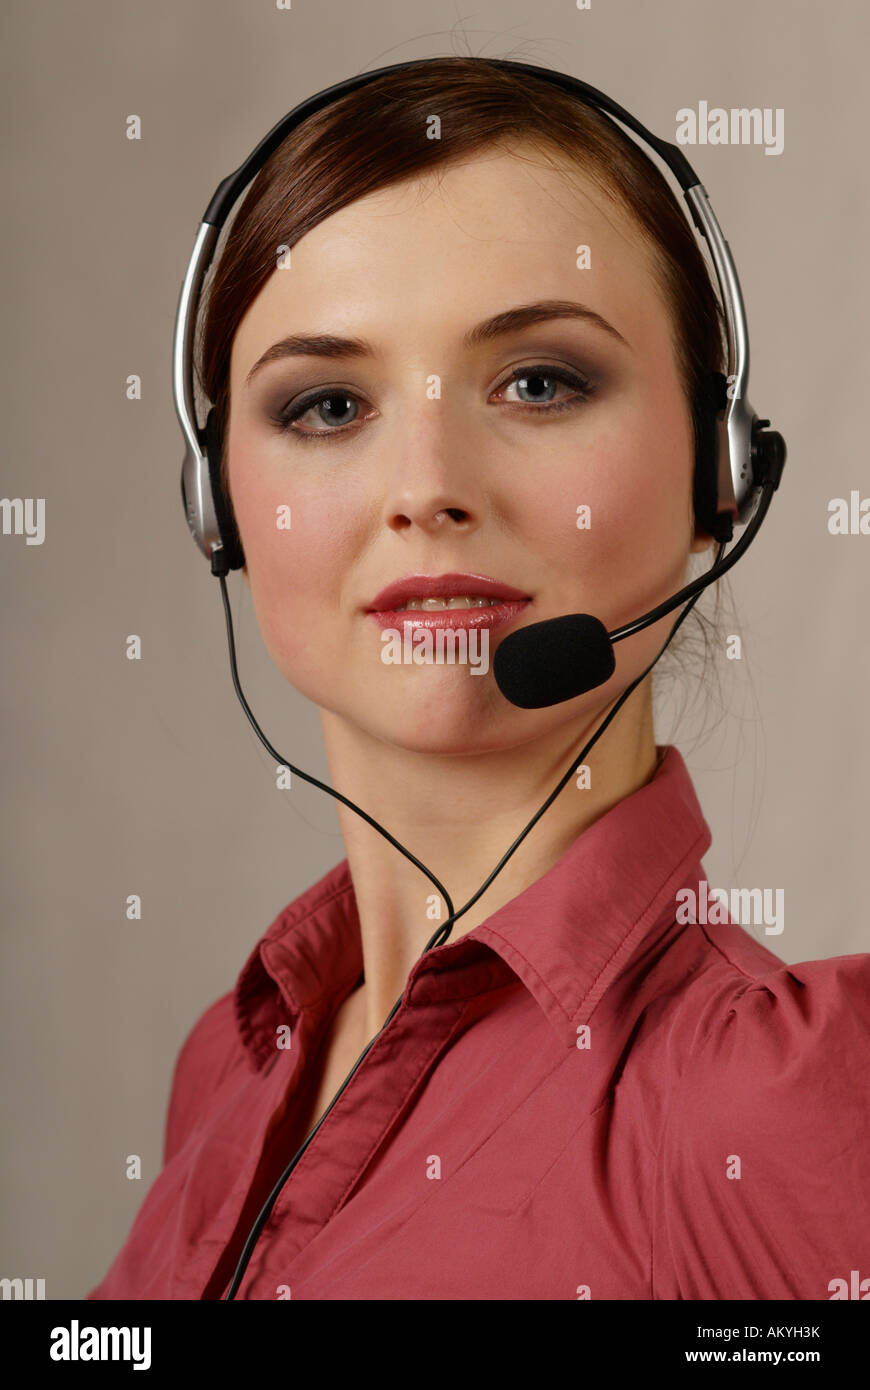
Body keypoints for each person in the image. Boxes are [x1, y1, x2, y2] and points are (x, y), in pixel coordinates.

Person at [87, 57, 869, 1300]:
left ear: (718, 476)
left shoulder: (787, 1113)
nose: (426, 486)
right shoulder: (234, 1065)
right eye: (330, 404)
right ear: (216, 503)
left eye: (540, 383)